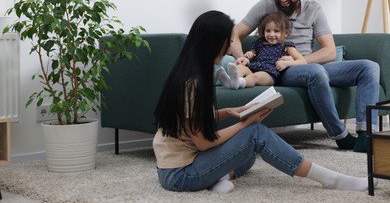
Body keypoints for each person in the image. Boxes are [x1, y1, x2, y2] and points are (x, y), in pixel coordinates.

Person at [153, 10, 373, 193]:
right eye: (228, 42)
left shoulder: (188, 74)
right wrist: (246, 123)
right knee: (255, 134)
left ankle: (217, 178)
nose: (230, 48)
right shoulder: (194, 84)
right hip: (181, 175)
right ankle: (331, 179)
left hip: (179, 165)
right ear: (214, 43)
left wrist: (228, 112)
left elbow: (188, 122)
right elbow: (203, 143)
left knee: (249, 156)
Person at [230, 0, 380, 153]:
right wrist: (242, 59)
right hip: (280, 68)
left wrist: (300, 61)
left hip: (306, 63)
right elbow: (234, 35)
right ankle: (340, 135)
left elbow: (330, 51)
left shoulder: (313, 9)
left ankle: (365, 135)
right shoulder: (266, 5)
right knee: (316, 72)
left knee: (369, 67)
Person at [216, 11, 306, 89]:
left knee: (254, 77)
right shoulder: (260, 43)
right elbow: (252, 54)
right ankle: (231, 81)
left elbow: (303, 61)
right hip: (252, 67)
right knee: (240, 68)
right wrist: (248, 56)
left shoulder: (286, 45)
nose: (271, 34)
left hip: (269, 73)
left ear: (285, 33)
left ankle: (240, 83)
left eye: (276, 31)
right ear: (263, 31)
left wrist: (286, 63)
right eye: (268, 31)